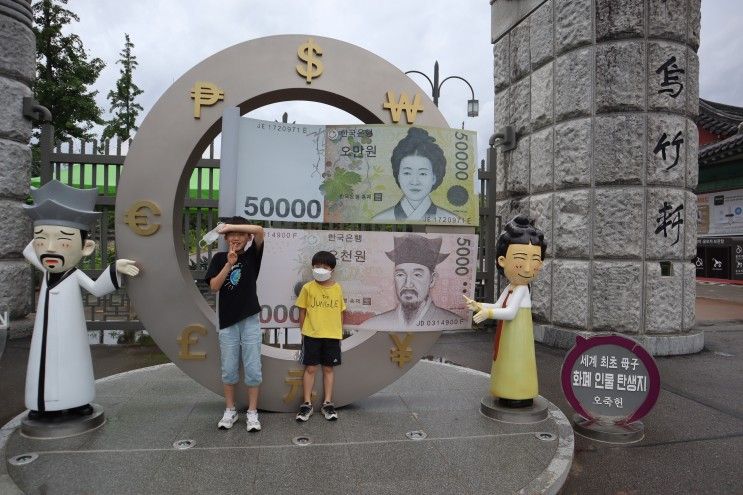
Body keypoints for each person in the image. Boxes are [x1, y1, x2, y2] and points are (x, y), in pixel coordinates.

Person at [22, 180, 140, 419]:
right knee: (41, 363)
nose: (51, 248)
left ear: (86, 248)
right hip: (44, 336)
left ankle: (76, 400)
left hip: (70, 334)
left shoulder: (73, 275)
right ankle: (40, 403)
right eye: (42, 240)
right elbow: (28, 251)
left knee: (72, 361)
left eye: (64, 241)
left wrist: (115, 268)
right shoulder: (46, 270)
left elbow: (97, 288)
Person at [464, 215, 546, 408]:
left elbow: (509, 312)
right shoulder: (511, 287)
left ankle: (519, 391)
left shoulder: (521, 289)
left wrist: (488, 314)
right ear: (502, 260)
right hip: (509, 337)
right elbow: (500, 306)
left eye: (534, 260)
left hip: (518, 338)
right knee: (506, 361)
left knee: (516, 362)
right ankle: (505, 388)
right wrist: (480, 305)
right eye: (520, 259)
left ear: (540, 264)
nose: (528, 267)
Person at [204, 216, 265, 431]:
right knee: (229, 369)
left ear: (247, 238)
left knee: (253, 369)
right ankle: (230, 411)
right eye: (231, 235)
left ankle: (252, 412)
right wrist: (229, 265)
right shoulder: (220, 258)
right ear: (225, 238)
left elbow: (259, 230)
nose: (235, 238)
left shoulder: (252, 256)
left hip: (250, 320)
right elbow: (214, 286)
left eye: (240, 234)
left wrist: (230, 226)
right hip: (228, 322)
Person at [361, 234, 463, 330]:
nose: (408, 284)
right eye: (400, 275)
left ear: (432, 280)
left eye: (417, 275)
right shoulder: (374, 324)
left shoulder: (452, 322)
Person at [294, 251, 346, 421]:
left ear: (332, 269)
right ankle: (306, 404)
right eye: (317, 266)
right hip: (311, 335)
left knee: (328, 369)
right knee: (310, 369)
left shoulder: (337, 288)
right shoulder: (307, 288)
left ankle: (328, 403)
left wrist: (338, 332)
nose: (320, 269)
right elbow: (302, 312)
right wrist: (304, 332)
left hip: (332, 336)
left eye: (324, 267)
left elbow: (340, 312)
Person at [372, 127, 460, 223]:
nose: (414, 182)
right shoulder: (379, 218)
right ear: (398, 175)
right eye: (407, 173)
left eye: (422, 173)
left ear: (434, 177)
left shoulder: (454, 219)